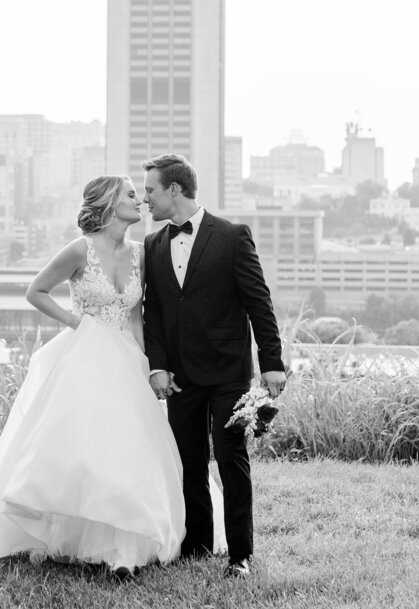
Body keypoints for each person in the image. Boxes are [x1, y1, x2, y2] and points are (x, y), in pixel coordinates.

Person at [0, 175, 192, 576]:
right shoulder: (80, 249)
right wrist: (76, 322)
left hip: (126, 357)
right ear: (110, 203)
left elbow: (136, 315)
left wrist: (149, 364)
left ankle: (125, 548)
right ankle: (66, 529)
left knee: (129, 448)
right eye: (132, 194)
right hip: (85, 355)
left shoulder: (140, 254)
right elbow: (36, 291)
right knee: (81, 447)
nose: (140, 201)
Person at [140, 153, 287, 578]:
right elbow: (155, 314)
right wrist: (158, 367)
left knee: (229, 458)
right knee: (187, 462)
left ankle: (241, 555)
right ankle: (197, 545)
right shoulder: (152, 244)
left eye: (150, 190)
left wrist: (272, 363)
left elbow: (258, 302)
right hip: (180, 376)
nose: (146, 198)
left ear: (174, 189)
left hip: (228, 371)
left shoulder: (232, 235)